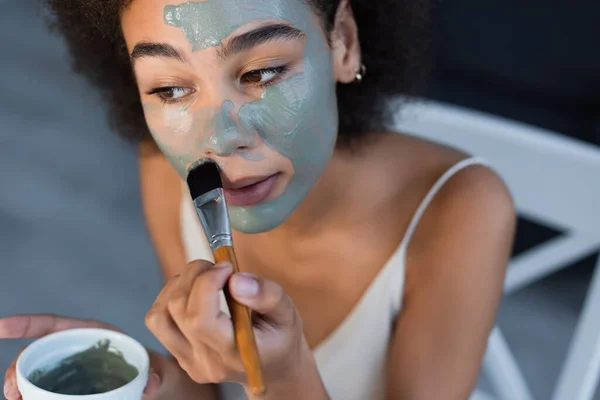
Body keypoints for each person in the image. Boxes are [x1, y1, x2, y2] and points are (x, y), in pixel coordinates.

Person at [1, 0, 516, 399]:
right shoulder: (164, 170)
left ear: (344, 42)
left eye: (261, 72)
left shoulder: (460, 211)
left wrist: (287, 377)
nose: (219, 138)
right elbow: (207, 392)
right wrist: (146, 380)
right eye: (169, 89)